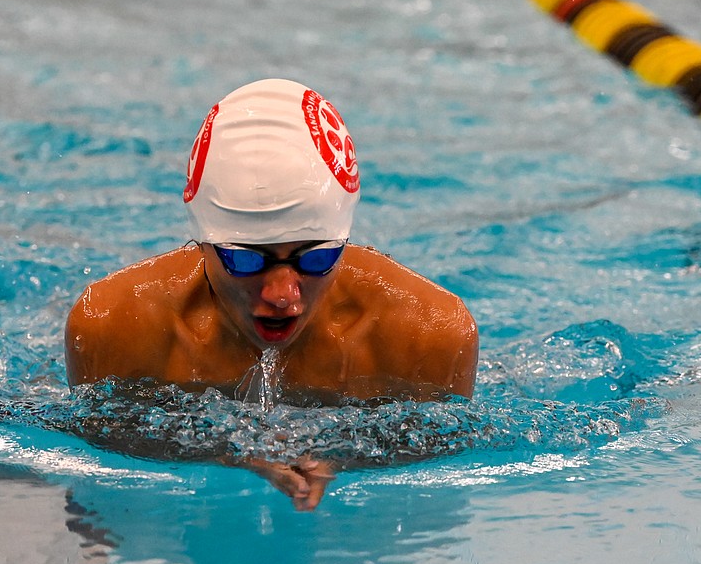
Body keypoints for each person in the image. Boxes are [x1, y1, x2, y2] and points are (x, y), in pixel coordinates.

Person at [64, 78, 478, 510]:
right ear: (203, 241)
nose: (283, 295)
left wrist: (342, 459)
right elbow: (98, 458)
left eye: (315, 258)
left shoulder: (428, 334)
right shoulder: (116, 326)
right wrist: (227, 453)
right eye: (246, 261)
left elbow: (438, 478)